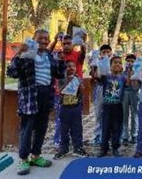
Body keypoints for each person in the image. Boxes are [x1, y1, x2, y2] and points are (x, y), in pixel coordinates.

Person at [7, 29, 65, 176]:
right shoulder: (27, 55)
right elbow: (12, 72)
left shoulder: (50, 56)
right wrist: (19, 54)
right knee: (27, 129)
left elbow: (58, 73)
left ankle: (36, 155)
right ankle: (23, 159)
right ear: (33, 39)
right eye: (40, 38)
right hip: (30, 96)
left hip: (46, 95)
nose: (44, 41)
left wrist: (62, 60)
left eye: (46, 38)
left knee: (42, 127)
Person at [49, 33, 86, 147]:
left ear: (73, 44)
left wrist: (82, 42)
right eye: (64, 43)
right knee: (60, 119)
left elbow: (83, 52)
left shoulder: (77, 55)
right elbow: (48, 53)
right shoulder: (58, 55)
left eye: (69, 43)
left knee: (76, 119)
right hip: (60, 93)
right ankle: (58, 141)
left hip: (76, 93)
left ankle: (76, 142)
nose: (66, 46)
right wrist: (55, 40)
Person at [53, 60, 89, 159]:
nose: (71, 68)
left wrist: (80, 84)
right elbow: (59, 92)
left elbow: (82, 92)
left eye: (73, 66)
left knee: (77, 128)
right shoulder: (61, 79)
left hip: (75, 107)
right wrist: (67, 82)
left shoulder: (77, 78)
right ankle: (63, 148)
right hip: (64, 108)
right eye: (68, 66)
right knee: (64, 129)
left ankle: (78, 148)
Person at [96, 56, 127, 157]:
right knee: (105, 128)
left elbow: (131, 84)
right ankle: (103, 148)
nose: (117, 64)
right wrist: (94, 65)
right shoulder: (106, 77)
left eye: (119, 63)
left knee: (117, 128)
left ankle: (115, 148)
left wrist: (130, 71)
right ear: (110, 65)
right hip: (107, 107)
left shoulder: (123, 78)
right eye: (115, 62)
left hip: (118, 107)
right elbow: (96, 76)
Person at [90, 44, 113, 146]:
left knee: (111, 114)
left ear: (111, 53)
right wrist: (94, 68)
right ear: (100, 54)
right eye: (103, 52)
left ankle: (111, 136)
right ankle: (97, 136)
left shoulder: (114, 63)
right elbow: (95, 76)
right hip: (100, 88)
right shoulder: (97, 63)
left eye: (108, 52)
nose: (106, 54)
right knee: (98, 113)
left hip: (112, 89)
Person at [121, 54, 139, 146]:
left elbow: (136, 87)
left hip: (134, 94)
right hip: (125, 94)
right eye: (128, 61)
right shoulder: (122, 73)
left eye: (132, 61)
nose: (130, 63)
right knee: (124, 115)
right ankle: (125, 136)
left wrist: (133, 74)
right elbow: (127, 84)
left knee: (134, 114)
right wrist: (128, 74)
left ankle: (134, 134)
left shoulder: (137, 72)